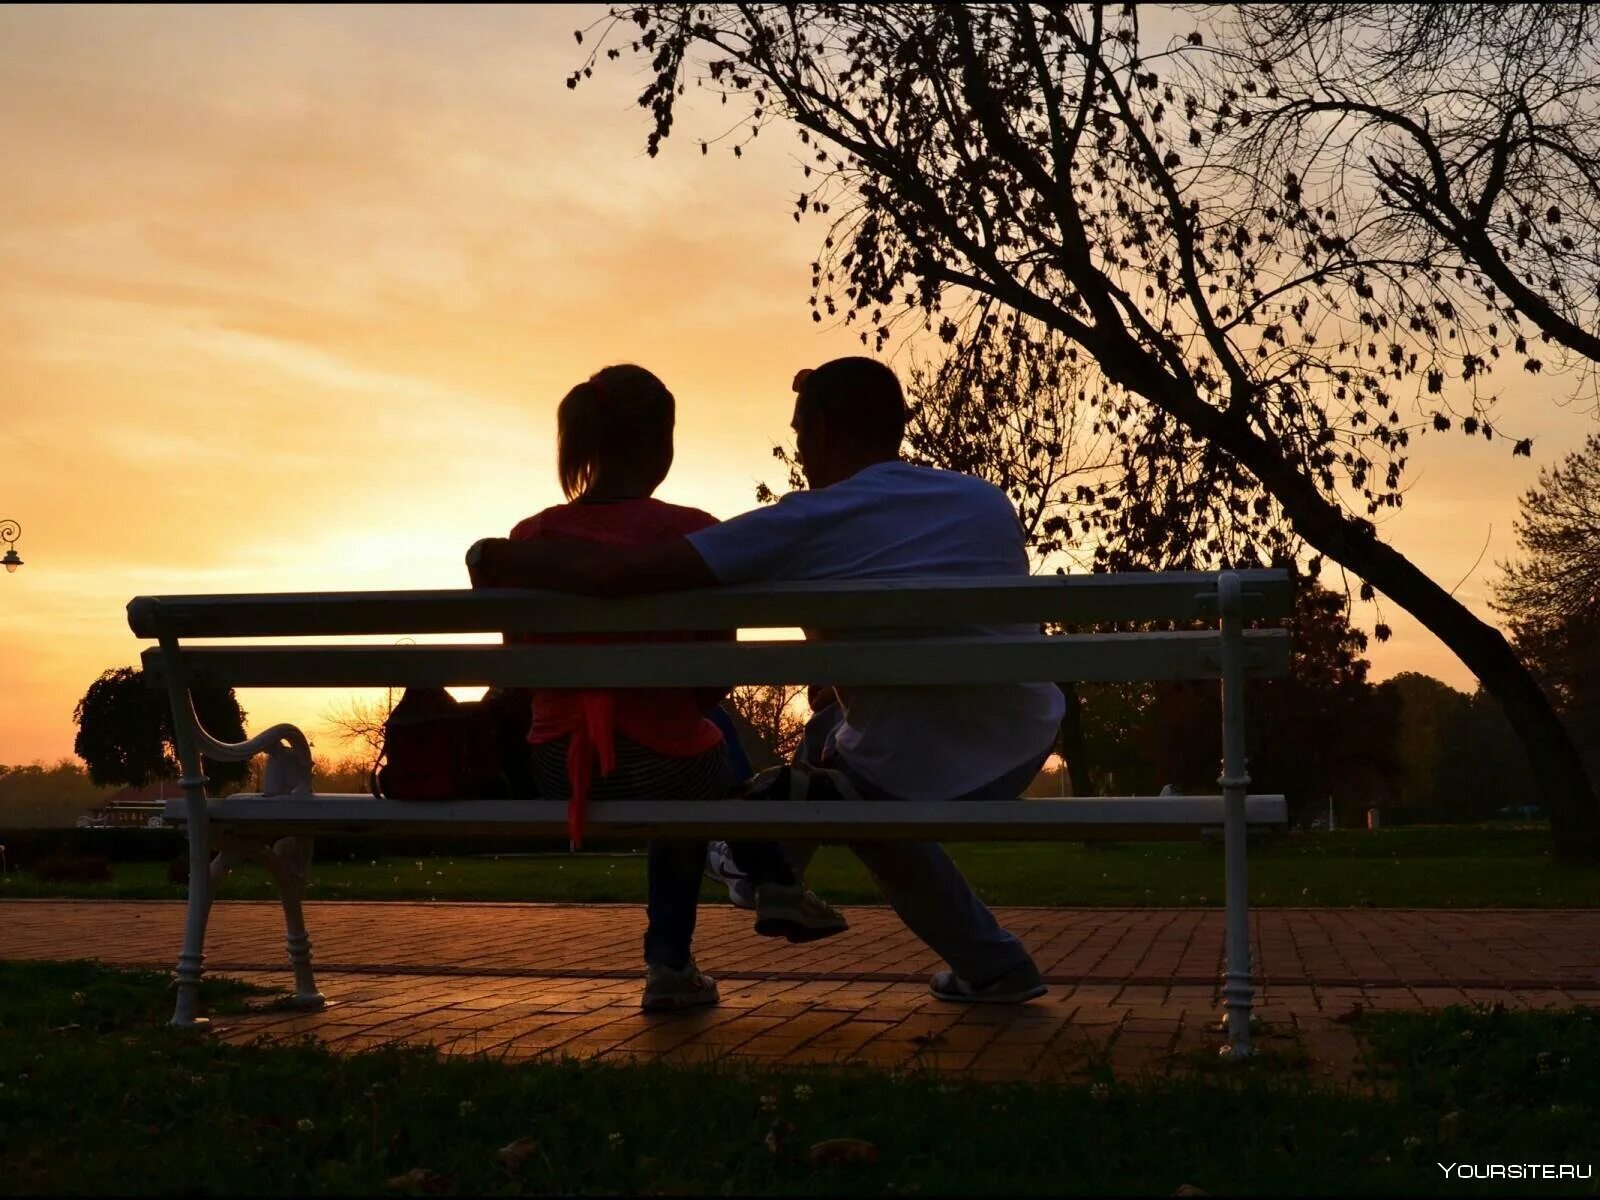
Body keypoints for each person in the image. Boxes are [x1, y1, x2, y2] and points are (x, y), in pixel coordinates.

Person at [469, 356, 1062, 1004]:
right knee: (836, 751)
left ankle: (754, 859)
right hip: (1020, 737)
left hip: (907, 766)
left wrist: (504, 555)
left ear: (827, 432)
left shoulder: (807, 522)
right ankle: (989, 963)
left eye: (803, 436)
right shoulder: (984, 502)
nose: (802, 456)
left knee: (848, 781)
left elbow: (622, 576)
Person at [478, 363, 845, 1014]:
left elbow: (520, 673)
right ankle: (692, 945)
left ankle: (735, 908)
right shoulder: (693, 533)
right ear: (659, 447)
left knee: (689, 754)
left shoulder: (529, 538)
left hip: (558, 770)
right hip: (669, 767)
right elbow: (715, 678)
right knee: (699, 754)